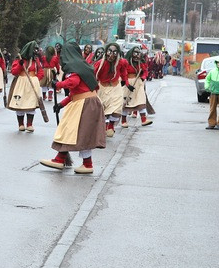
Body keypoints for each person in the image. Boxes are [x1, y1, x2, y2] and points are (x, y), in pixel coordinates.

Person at [40, 41, 106, 174]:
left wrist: (58, 84)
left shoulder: (74, 67)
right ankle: (73, 161)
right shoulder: (83, 66)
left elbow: (73, 83)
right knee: (79, 133)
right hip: (87, 102)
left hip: (84, 104)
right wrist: (61, 104)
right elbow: (78, 91)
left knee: (74, 131)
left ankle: (68, 161)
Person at [92, 42, 129, 136]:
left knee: (116, 107)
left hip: (115, 87)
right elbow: (94, 75)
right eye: (110, 51)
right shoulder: (100, 63)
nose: (111, 54)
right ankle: (103, 126)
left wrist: (124, 80)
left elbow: (124, 71)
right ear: (106, 52)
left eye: (115, 52)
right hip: (102, 88)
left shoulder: (121, 62)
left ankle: (111, 126)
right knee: (102, 109)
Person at [7, 41, 42, 132]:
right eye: (35, 49)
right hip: (21, 83)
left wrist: (36, 79)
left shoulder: (36, 60)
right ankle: (21, 124)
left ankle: (29, 124)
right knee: (20, 102)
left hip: (32, 83)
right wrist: (20, 64)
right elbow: (14, 72)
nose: (36, 51)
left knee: (31, 103)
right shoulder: (19, 59)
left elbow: (40, 71)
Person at [123, 46, 154, 127]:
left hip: (139, 83)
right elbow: (124, 74)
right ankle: (123, 121)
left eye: (138, 53)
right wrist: (127, 84)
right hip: (129, 83)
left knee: (141, 100)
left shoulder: (141, 63)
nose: (137, 55)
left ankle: (143, 120)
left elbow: (145, 71)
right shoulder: (126, 63)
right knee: (127, 102)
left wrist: (143, 77)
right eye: (135, 53)